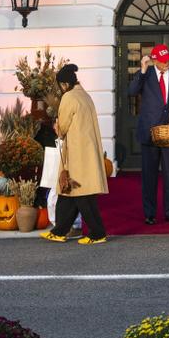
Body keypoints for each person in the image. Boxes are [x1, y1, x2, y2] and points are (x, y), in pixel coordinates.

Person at [41, 63, 110, 244]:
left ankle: (97, 234)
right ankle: (59, 231)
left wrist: (56, 127)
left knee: (81, 194)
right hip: (86, 151)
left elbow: (62, 127)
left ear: (64, 84)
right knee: (67, 191)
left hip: (78, 152)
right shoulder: (85, 95)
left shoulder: (69, 97)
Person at [129, 43, 169, 224]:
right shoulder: (146, 75)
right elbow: (132, 92)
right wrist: (142, 69)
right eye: (163, 61)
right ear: (154, 60)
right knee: (149, 176)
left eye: (168, 60)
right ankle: (150, 214)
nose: (167, 64)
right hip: (149, 133)